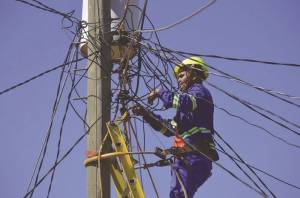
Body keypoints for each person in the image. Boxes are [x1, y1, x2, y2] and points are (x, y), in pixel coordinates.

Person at [133, 56, 218, 198]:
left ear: (194, 73)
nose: (179, 80)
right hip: (188, 158)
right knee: (177, 194)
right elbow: (167, 129)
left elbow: (183, 101)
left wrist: (160, 92)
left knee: (178, 195)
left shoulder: (199, 92)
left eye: (181, 75)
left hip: (194, 156)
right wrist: (146, 114)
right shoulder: (184, 112)